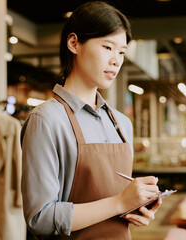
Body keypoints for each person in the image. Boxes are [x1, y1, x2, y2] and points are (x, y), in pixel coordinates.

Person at [20, 2, 161, 239]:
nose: (116, 60)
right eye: (108, 47)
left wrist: (136, 206)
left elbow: (116, 200)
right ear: (74, 43)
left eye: (122, 52)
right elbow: (40, 218)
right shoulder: (46, 120)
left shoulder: (122, 123)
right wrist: (118, 202)